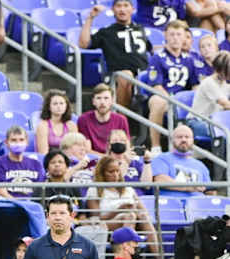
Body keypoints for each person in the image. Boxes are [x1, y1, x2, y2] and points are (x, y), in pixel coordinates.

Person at [79, 0, 151, 108]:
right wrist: (90, 18)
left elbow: (150, 49)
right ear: (113, 10)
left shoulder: (140, 29)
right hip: (118, 75)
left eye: (126, 6)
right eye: (118, 6)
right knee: (126, 75)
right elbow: (83, 44)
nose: (122, 9)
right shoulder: (107, 32)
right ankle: (122, 116)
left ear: (133, 9)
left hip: (142, 74)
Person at [86, 156, 160, 257]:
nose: (115, 175)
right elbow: (97, 218)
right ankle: (125, 255)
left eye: (117, 171)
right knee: (129, 216)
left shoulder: (128, 189)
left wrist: (135, 210)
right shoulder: (94, 190)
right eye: (111, 172)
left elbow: (144, 211)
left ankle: (159, 257)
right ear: (102, 173)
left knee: (143, 217)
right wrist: (120, 209)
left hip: (133, 221)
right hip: (107, 224)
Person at [146, 20, 200, 154]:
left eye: (178, 35)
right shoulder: (157, 58)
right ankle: (156, 147)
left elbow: (195, 85)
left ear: (184, 37)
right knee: (157, 101)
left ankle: (196, 147)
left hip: (183, 100)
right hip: (165, 97)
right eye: (172, 34)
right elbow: (156, 85)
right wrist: (172, 100)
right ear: (165, 36)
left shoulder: (189, 59)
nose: (175, 38)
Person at [151, 124, 213, 196]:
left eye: (187, 137)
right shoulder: (161, 158)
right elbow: (160, 180)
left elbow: (210, 191)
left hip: (197, 205)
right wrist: (190, 187)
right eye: (179, 137)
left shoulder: (201, 166)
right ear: (172, 140)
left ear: (193, 140)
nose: (183, 140)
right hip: (171, 205)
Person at [0, 125, 45, 199]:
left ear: (27, 142)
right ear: (6, 142)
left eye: (21, 140)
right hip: (9, 206)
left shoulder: (36, 164)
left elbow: (41, 191)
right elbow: (2, 193)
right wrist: (21, 205)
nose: (18, 143)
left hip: (32, 205)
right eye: (13, 140)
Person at [77, 83, 130, 156]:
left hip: (116, 160)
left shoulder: (121, 120)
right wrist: (107, 158)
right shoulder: (83, 119)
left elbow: (126, 146)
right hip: (93, 161)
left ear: (112, 101)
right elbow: (87, 150)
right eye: (98, 98)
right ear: (93, 101)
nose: (102, 102)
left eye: (106, 98)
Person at [189, 51, 230, 139]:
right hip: (197, 122)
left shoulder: (225, 84)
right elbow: (225, 104)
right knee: (225, 134)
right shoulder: (209, 83)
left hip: (215, 121)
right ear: (219, 69)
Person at [35, 89, 77, 155]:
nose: (59, 106)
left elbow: (74, 150)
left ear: (66, 106)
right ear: (49, 107)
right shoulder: (42, 126)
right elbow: (43, 152)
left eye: (61, 103)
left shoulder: (71, 125)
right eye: (55, 104)